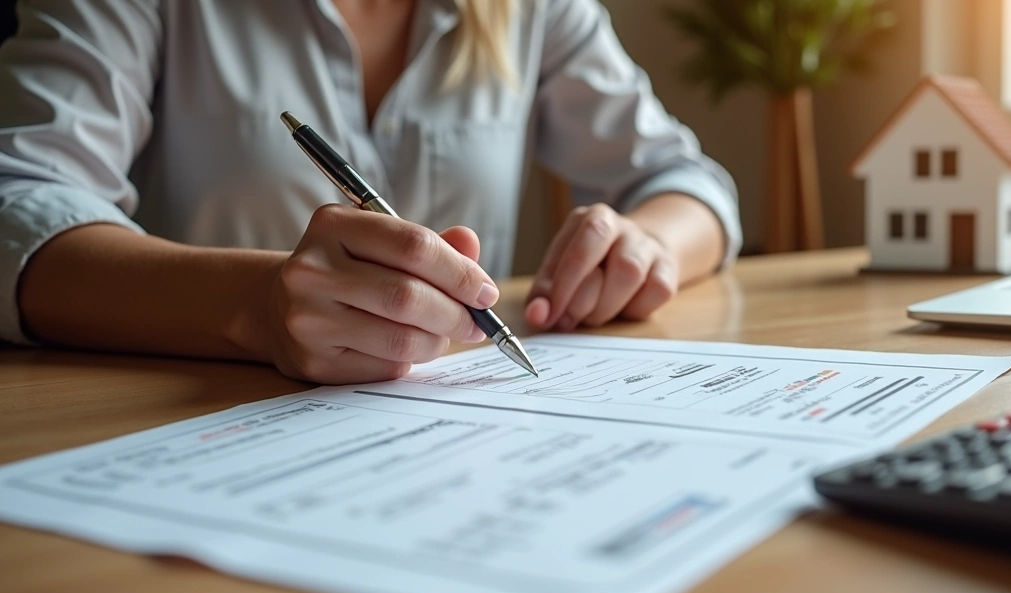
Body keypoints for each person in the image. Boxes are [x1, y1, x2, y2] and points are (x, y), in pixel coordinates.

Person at [0, 0, 740, 384]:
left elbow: (689, 182)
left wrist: (646, 245)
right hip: (203, 425)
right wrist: (252, 307)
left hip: (455, 448)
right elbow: (18, 206)